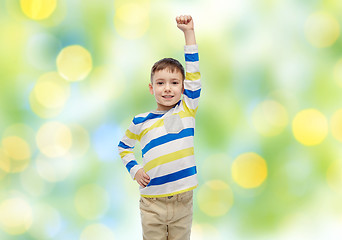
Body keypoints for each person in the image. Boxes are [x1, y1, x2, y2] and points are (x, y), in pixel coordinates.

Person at [118, 15, 201, 240]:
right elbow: (123, 147)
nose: (167, 89)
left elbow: (194, 74)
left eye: (174, 83)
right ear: (151, 88)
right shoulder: (140, 121)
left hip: (182, 202)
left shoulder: (186, 109)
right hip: (152, 204)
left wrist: (188, 33)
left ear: (183, 88)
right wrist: (135, 170)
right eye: (160, 83)